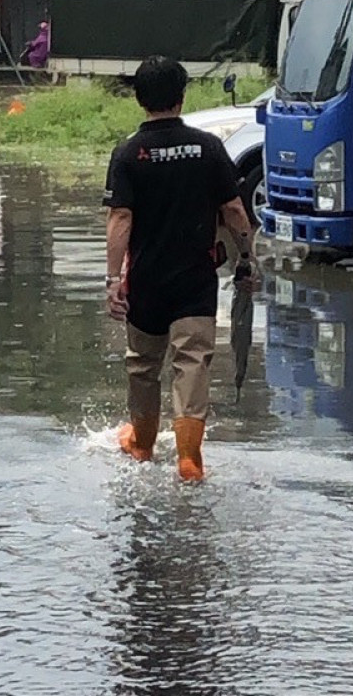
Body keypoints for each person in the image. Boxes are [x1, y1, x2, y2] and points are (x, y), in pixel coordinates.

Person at [103, 56, 257, 481]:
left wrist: (113, 280)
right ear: (182, 96)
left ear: (139, 99)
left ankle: (142, 445)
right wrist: (247, 258)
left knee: (143, 364)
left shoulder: (129, 152)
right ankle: (189, 459)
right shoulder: (208, 148)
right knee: (192, 360)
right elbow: (233, 210)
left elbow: (120, 219)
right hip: (195, 279)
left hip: (146, 280)